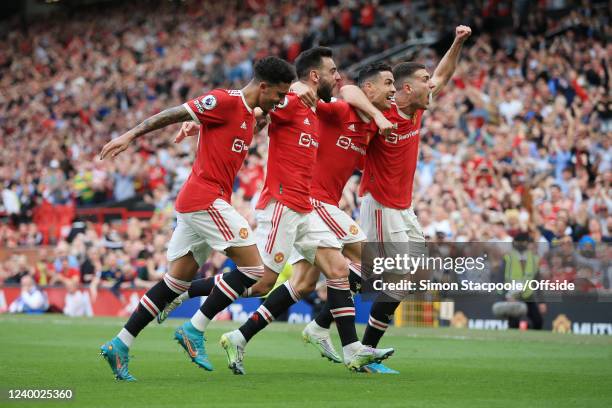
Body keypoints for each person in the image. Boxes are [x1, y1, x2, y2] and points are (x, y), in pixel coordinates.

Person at [162, 48, 395, 374]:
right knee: (261, 283)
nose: (339, 77)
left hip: (304, 208)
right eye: (332, 71)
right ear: (315, 76)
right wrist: (201, 126)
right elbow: (255, 109)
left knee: (336, 271)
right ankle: (185, 297)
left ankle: (352, 347)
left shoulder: (318, 111)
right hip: (284, 204)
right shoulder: (298, 101)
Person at [98, 56, 296, 381]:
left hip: (200, 201)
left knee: (175, 282)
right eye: (278, 94)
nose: (280, 100)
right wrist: (130, 136)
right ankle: (195, 328)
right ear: (263, 86)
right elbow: (172, 113)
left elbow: (251, 122)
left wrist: (203, 125)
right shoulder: (223, 100)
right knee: (253, 270)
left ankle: (119, 344)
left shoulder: (251, 114)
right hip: (204, 198)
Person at [332, 25, 472, 373]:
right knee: (384, 275)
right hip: (380, 204)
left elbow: (444, 71)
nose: (433, 84)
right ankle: (350, 341)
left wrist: (457, 42)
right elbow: (348, 90)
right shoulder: (384, 111)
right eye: (425, 80)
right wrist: (378, 115)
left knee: (405, 278)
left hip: (403, 207)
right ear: (408, 88)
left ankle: (349, 338)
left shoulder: (417, 107)